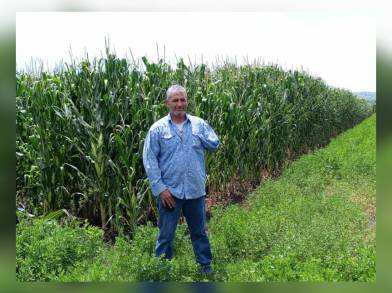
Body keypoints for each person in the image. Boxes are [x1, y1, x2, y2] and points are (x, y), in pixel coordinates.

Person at [142, 84, 220, 275]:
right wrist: (161, 189)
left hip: (195, 190)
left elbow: (214, 144)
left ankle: (205, 268)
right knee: (166, 236)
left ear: (187, 101)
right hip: (170, 193)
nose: (179, 104)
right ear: (167, 103)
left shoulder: (199, 124)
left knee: (199, 233)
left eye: (182, 99)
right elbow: (150, 160)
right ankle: (162, 271)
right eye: (175, 100)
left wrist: (201, 135)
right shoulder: (157, 129)